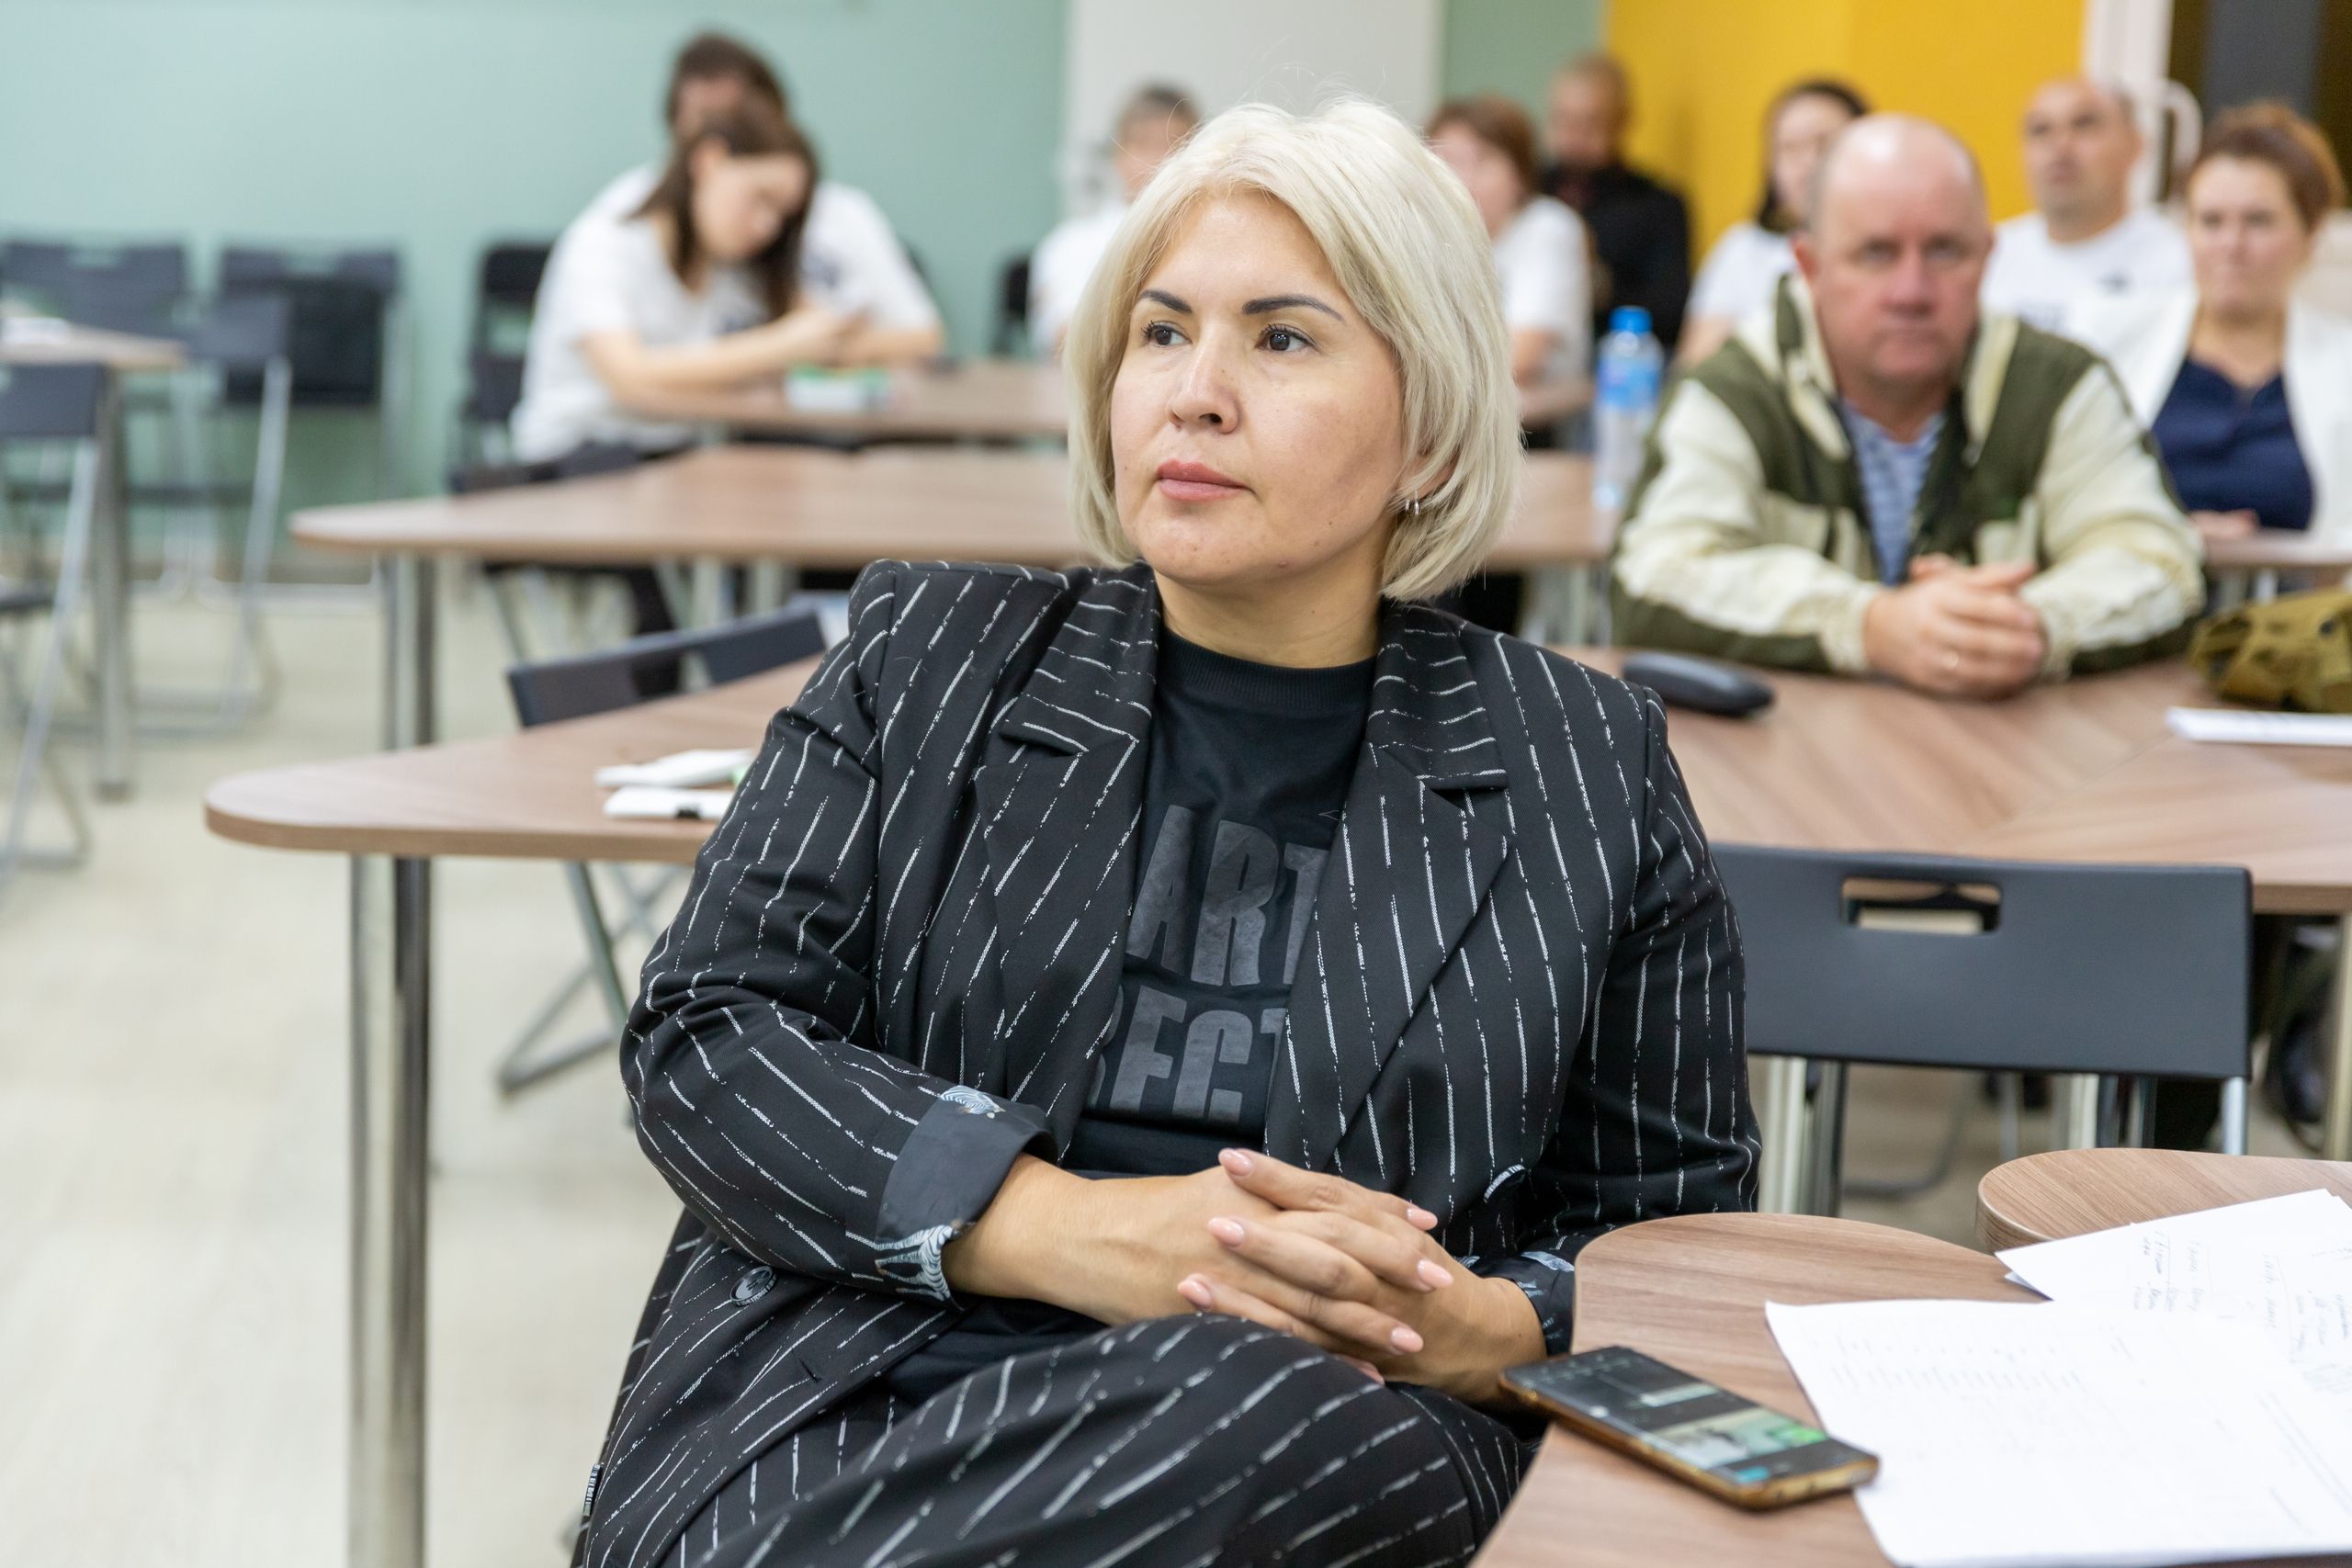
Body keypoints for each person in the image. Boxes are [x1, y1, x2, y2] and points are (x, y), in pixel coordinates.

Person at [575, 98, 1757, 1568]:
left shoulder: (1582, 758)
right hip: (873, 1369)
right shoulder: (928, 653)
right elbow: (707, 1034)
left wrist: (1486, 1325)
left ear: (1431, 433)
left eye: (1283, 338)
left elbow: (1678, 1225)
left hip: (1323, 1425)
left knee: (1256, 1402)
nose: (1195, 393)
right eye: (1160, 331)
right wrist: (1071, 1229)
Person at [1612, 116, 2202, 697]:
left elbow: (2162, 564)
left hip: (2013, 750)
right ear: (1810, 267)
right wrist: (1869, 626)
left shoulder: (2057, 387)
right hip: (1793, 749)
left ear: (1988, 256)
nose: (1911, 292)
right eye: (1876, 253)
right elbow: (1656, 573)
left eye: (1945, 251)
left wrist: (2030, 626)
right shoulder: (1738, 391)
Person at [2075, 103, 2352, 547]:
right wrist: (2176, 537)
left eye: (2258, 221)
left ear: (2311, 233)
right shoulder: (2105, 337)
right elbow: (2064, 499)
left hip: (2299, 592)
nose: (2231, 245)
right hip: (2137, 584)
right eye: (2211, 221)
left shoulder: (2344, 364)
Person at [584, 31, 944, 365]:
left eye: (733, 117)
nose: (765, 225)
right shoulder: (636, 217)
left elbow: (920, 335)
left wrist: (824, 338)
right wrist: (784, 347)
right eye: (703, 118)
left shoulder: (818, 217)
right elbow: (632, 370)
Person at [512, 105, 845, 461]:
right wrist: (781, 346)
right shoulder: (603, 245)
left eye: (782, 215)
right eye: (760, 197)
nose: (767, 226)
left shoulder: (730, 268)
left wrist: (816, 337)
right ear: (709, 161)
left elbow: (829, 335)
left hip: (675, 456)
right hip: (578, 459)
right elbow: (629, 378)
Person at [1679, 79, 1870, 366]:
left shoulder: (1902, 246)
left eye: (1824, 144)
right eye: (1789, 148)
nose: (1808, 163)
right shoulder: (1744, 248)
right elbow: (1698, 364)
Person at [1430, 95, 1594, 425]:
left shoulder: (1548, 227)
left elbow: (1521, 358)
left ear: (1520, 175)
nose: (1463, 179)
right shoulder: (1429, 234)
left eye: (1482, 161)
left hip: (1534, 430)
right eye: (1447, 161)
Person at [1980, 79, 2191, 335]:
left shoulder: (2181, 266)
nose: (2060, 146)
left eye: (2084, 125)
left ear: (2137, 145)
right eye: (2040, 130)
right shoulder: (1988, 255)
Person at [1028, 83, 1201, 352]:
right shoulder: (1068, 245)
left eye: (1175, 144)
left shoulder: (1219, 242)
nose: (1159, 159)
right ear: (1117, 156)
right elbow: (1064, 338)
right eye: (1144, 144)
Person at [1544, 52, 1691, 353]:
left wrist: (1598, 287)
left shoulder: (1658, 206)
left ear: (1622, 121)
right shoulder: (1530, 191)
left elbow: (1672, 312)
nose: (1575, 135)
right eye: (1564, 120)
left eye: (1591, 122)